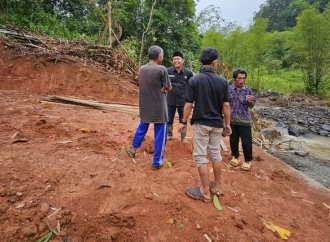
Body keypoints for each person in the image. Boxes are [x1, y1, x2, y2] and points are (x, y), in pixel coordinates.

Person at [178, 48, 231, 202]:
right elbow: (226, 106)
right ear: (214, 62)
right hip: (217, 123)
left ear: (202, 62)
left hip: (201, 123)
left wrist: (183, 122)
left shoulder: (194, 80)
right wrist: (227, 124)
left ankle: (205, 191)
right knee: (215, 154)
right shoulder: (223, 81)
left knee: (200, 155)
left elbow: (188, 105)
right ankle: (216, 187)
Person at [126, 45, 172, 170]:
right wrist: (164, 87)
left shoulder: (142, 69)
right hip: (159, 106)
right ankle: (157, 161)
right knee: (160, 134)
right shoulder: (162, 69)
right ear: (159, 57)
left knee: (142, 127)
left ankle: (133, 148)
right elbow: (169, 87)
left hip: (145, 104)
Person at [228, 68, 256, 171]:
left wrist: (249, 101)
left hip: (245, 120)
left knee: (246, 142)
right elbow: (225, 104)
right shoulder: (229, 89)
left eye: (243, 78)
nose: (241, 81)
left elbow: (251, 106)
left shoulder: (248, 90)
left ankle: (247, 160)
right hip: (232, 120)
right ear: (234, 79)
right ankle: (235, 157)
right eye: (239, 78)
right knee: (233, 140)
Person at [166, 51, 193, 142]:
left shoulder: (188, 73)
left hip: (183, 101)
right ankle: (169, 135)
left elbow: (191, 86)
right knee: (169, 118)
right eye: (174, 59)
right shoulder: (168, 71)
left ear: (183, 61)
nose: (176, 61)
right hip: (170, 100)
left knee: (183, 119)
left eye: (178, 59)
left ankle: (183, 137)